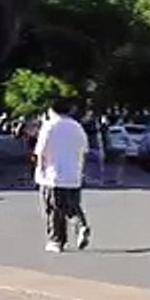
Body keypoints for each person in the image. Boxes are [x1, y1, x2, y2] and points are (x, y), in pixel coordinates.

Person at [34, 95, 91, 252]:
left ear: (51, 110)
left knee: (53, 209)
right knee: (72, 206)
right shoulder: (77, 127)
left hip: (53, 176)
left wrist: (40, 170)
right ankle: (81, 225)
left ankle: (56, 241)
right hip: (73, 175)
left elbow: (41, 152)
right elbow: (84, 150)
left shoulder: (49, 126)